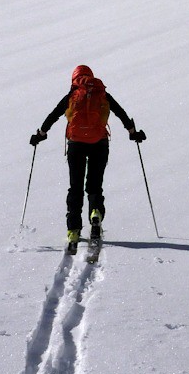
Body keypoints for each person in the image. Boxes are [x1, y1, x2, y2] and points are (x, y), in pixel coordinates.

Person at [30, 65, 145, 252]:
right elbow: (120, 112)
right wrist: (133, 133)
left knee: (75, 187)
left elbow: (53, 115)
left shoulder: (72, 95)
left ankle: (73, 230)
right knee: (94, 184)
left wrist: (41, 135)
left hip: (76, 145)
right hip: (99, 143)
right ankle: (95, 213)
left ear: (74, 79)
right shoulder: (101, 92)